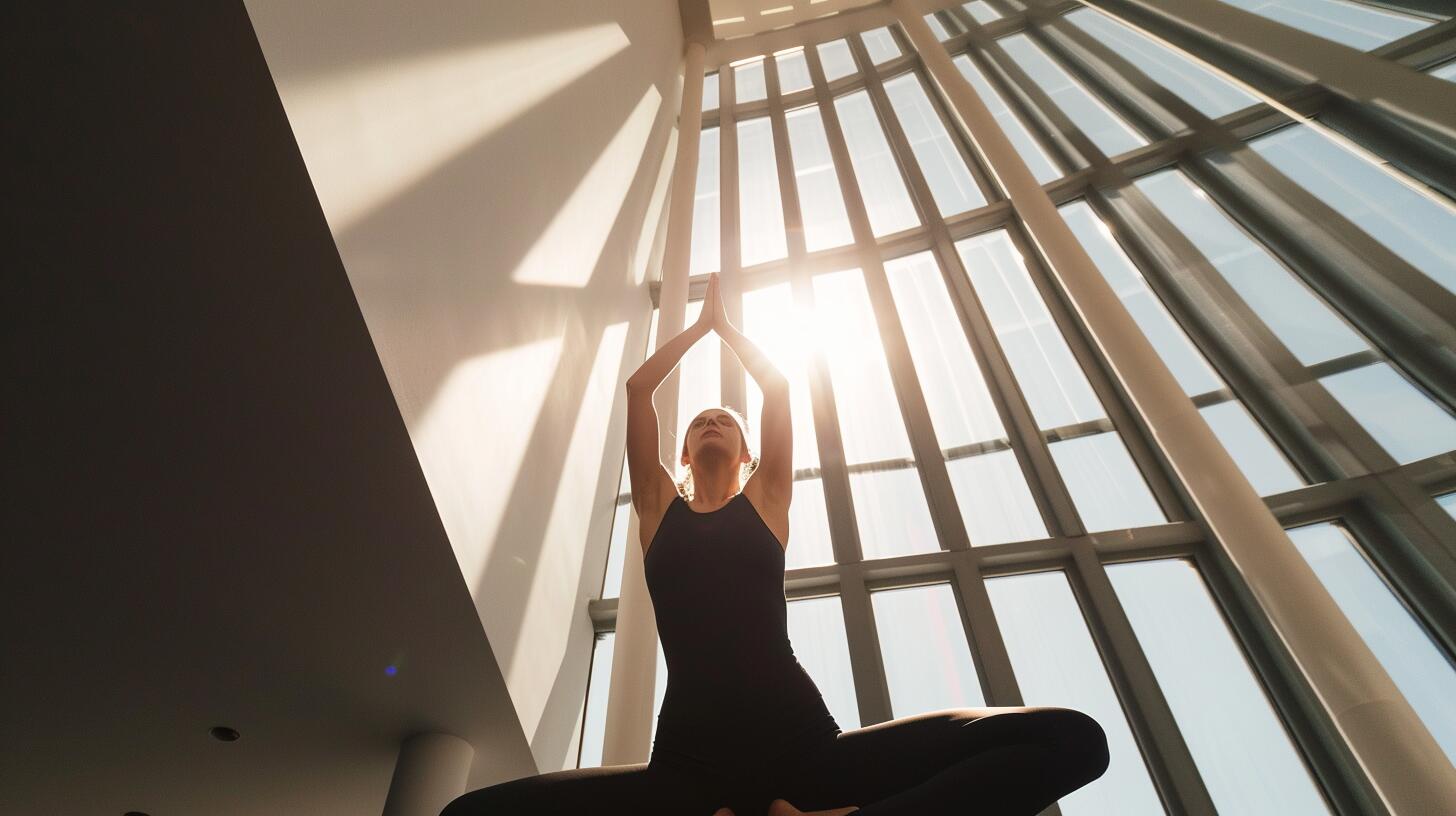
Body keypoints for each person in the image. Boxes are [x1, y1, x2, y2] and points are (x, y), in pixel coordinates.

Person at [441, 272, 1109, 816]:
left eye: (722, 422)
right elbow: (640, 390)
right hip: (689, 769)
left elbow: (780, 387)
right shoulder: (655, 510)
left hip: (804, 748)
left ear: (747, 453)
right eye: (699, 421)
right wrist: (697, 331)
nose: (709, 424)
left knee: (1074, 740)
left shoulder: (767, 503)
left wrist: (731, 333)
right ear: (682, 451)